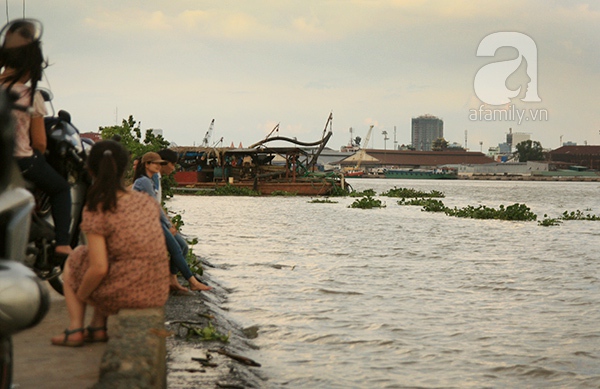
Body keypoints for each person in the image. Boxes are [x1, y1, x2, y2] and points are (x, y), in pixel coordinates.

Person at [51, 140, 170, 347]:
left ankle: (75, 329)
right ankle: (98, 327)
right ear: (125, 168)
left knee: (76, 258)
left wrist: (81, 296)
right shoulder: (147, 202)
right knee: (111, 257)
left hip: (129, 293)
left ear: (89, 169)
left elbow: (99, 268)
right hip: (157, 291)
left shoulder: (98, 206)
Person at [0, 19, 72, 257]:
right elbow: (39, 142)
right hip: (21, 161)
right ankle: (63, 244)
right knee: (61, 189)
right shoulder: (30, 96)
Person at [133, 151, 211, 293]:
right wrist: (169, 224)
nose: (158, 166)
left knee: (183, 247)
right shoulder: (144, 181)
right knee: (176, 249)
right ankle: (192, 281)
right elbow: (155, 206)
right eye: (155, 163)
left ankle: (172, 280)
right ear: (147, 164)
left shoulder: (149, 180)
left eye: (160, 164)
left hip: (154, 220)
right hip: (149, 221)